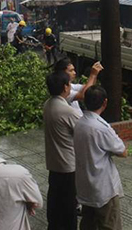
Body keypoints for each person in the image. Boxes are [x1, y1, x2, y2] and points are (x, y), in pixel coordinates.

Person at [74, 86, 127, 230]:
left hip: (85, 183)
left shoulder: (79, 123)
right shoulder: (102, 128)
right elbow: (122, 151)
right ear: (105, 102)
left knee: (88, 222)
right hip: (103, 187)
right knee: (109, 223)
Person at [43, 72, 81, 230]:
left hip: (54, 162)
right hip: (68, 164)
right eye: (69, 85)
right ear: (65, 87)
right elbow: (83, 132)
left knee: (55, 199)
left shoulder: (48, 104)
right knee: (69, 205)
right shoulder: (67, 111)